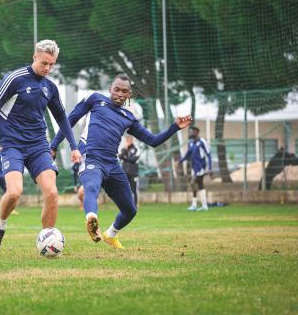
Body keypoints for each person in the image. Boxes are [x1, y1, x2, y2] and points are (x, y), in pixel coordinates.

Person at [51, 74, 192, 249]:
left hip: (112, 164)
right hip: (90, 157)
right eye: (116, 89)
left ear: (129, 95)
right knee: (91, 187)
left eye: (124, 91)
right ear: (110, 88)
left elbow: (153, 141)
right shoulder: (95, 100)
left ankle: (111, 234)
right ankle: (91, 220)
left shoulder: (128, 118)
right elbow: (69, 120)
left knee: (130, 210)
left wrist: (175, 127)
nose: (119, 93)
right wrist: (54, 145)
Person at [0, 39, 81, 253]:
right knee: (15, 192)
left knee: (52, 193)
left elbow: (62, 119)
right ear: (34, 57)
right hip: (12, 146)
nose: (47, 68)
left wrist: (74, 147)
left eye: (52, 64)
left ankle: (48, 243)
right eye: (44, 63)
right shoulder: (14, 79)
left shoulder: (50, 87)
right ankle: (0, 227)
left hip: (38, 145)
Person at [178, 126, 212, 211]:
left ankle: (194, 204)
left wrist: (210, 168)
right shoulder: (191, 143)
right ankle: (204, 206)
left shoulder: (202, 142)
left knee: (193, 182)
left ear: (196, 132)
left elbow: (209, 155)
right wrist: (180, 161)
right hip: (194, 168)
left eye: (191, 132)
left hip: (201, 167)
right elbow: (187, 154)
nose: (190, 133)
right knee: (200, 185)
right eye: (189, 132)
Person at [119, 136, 139, 206]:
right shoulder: (124, 149)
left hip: (133, 173)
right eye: (127, 141)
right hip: (125, 172)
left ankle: (135, 205)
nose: (128, 142)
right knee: (124, 189)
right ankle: (125, 204)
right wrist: (125, 149)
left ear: (132, 140)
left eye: (129, 140)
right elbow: (120, 156)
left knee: (133, 189)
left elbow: (133, 159)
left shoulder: (136, 149)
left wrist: (125, 158)